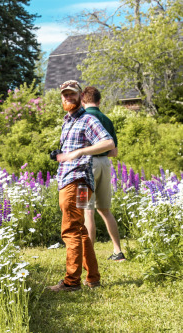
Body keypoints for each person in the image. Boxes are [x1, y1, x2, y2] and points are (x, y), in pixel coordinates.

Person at [47, 80, 115, 292]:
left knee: (70, 230)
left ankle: (71, 281)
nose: (68, 98)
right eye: (65, 95)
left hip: (76, 181)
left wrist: (80, 152)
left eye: (72, 94)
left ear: (80, 96)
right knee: (81, 229)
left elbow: (108, 143)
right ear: (62, 97)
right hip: (76, 180)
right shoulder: (67, 121)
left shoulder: (87, 119)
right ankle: (93, 278)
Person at [82, 87, 126, 261]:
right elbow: (113, 152)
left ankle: (89, 256)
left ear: (83, 101)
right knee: (105, 210)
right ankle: (118, 251)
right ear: (99, 101)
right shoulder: (107, 120)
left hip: (86, 165)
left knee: (87, 211)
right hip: (104, 165)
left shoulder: (82, 118)